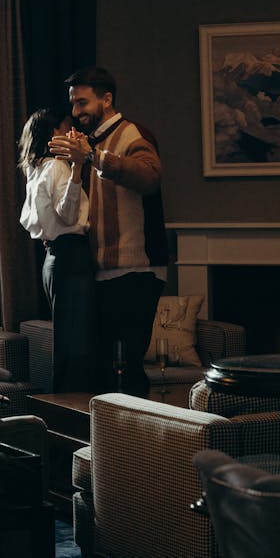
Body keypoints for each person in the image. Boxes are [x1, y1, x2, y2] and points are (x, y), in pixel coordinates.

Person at [48, 66, 167, 397]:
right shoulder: (87, 145)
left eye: (82, 103)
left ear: (107, 99)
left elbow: (149, 178)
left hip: (135, 270)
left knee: (127, 370)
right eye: (73, 105)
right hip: (100, 271)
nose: (76, 112)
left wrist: (94, 157)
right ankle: (106, 445)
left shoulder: (133, 135)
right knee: (101, 370)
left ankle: (137, 444)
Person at [18, 108, 95, 391]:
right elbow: (68, 214)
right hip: (72, 256)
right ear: (53, 135)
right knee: (77, 343)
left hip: (51, 259)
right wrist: (78, 169)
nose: (72, 135)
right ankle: (74, 410)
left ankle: (62, 410)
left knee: (65, 339)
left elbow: (29, 220)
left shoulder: (34, 169)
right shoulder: (58, 167)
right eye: (66, 129)